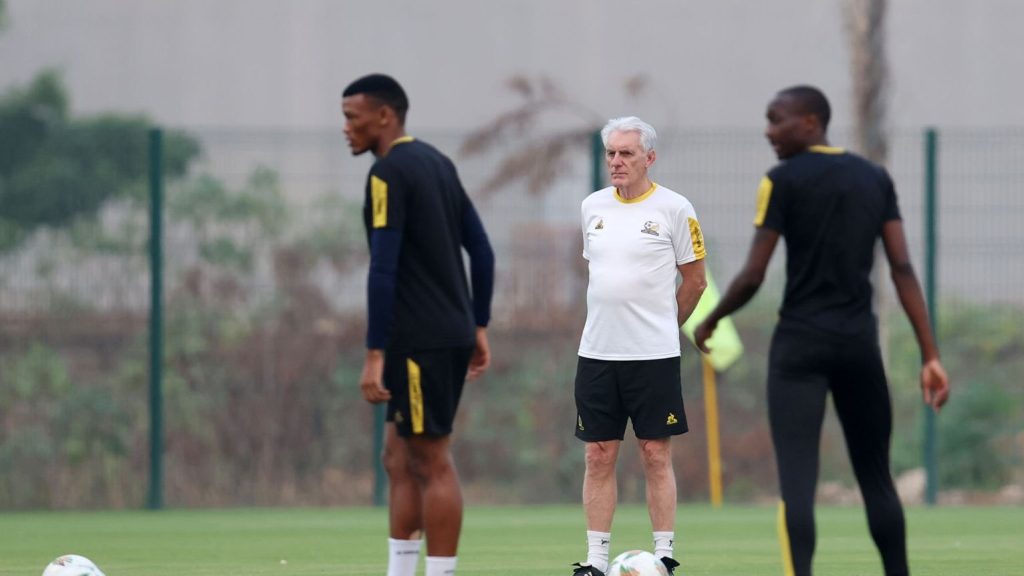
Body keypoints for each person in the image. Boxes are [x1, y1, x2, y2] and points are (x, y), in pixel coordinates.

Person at [694, 85, 950, 576]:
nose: (768, 131)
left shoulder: (781, 180)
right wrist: (930, 355)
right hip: (858, 345)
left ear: (810, 122)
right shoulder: (875, 178)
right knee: (877, 477)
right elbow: (901, 268)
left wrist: (712, 318)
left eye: (776, 120)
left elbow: (752, 274)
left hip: (799, 348)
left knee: (797, 484)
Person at [342, 73, 495, 576]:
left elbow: (383, 267)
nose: (346, 128)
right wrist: (477, 324)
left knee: (431, 460)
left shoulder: (387, 174)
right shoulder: (438, 163)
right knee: (397, 456)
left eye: (352, 116)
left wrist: (373, 353)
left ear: (384, 116)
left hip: (419, 342)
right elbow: (482, 250)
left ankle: (440, 573)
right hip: (446, 332)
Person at [572, 116, 707, 576]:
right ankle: (594, 561)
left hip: (653, 356)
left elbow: (696, 280)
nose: (616, 161)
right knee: (598, 454)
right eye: (611, 152)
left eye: (626, 153)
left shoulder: (675, 208)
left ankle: (664, 556)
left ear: (649, 157)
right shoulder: (592, 207)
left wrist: (666, 327)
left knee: (654, 452)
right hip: (597, 354)